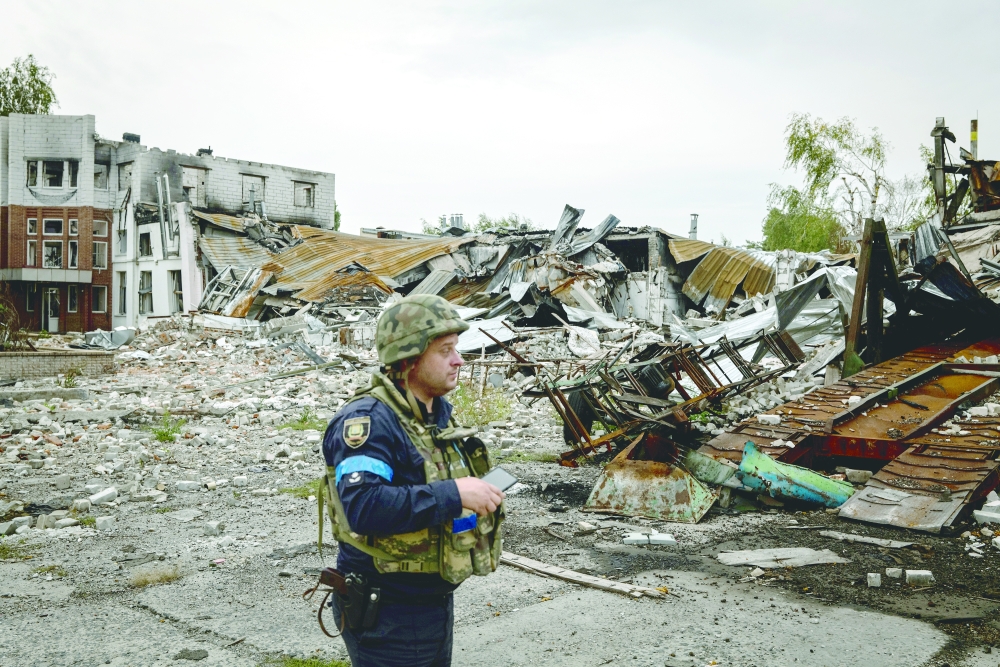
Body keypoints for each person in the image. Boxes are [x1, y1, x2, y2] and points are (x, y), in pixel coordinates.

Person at [319, 294, 506, 667]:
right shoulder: (369, 422)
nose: (459, 360)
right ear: (408, 359)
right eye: (445, 350)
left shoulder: (431, 414)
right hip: (389, 612)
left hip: (429, 602)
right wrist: (455, 493)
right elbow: (365, 507)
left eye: (457, 349)